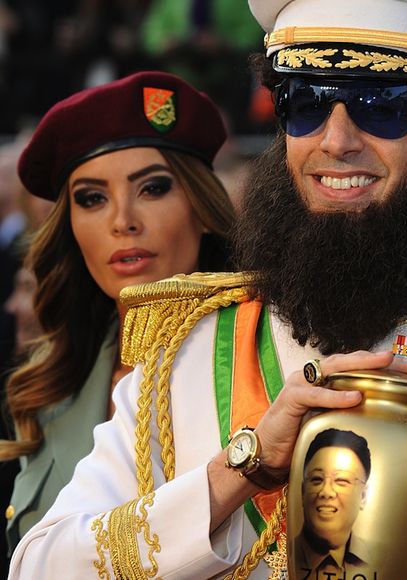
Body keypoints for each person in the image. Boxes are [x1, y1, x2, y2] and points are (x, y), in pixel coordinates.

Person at [8, 1, 407, 579]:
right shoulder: (191, 346)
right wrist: (241, 472)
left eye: (380, 107)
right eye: (305, 105)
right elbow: (38, 567)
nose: (335, 141)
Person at [0, 70, 235, 557]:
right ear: (70, 225)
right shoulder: (52, 382)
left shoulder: (266, 354)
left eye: (152, 188)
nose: (122, 220)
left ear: (202, 208)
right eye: (92, 198)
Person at [295, 429, 371, 576]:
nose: (326, 492)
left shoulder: (382, 559)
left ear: (363, 496)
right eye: (317, 479)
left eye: (341, 480)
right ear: (303, 490)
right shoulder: (289, 554)